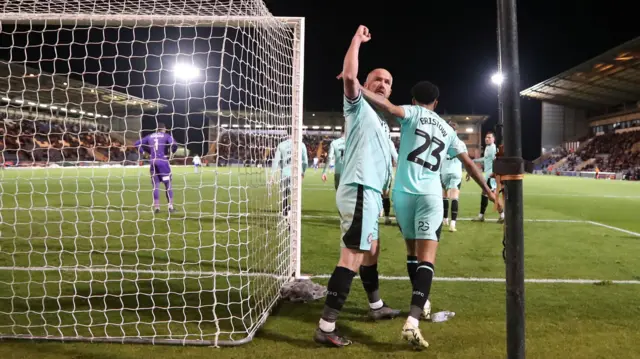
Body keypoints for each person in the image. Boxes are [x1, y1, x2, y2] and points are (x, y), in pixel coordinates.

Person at [360, 80, 497, 350]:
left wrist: (355, 84)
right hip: (431, 195)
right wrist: (489, 192)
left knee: (411, 253)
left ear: (413, 100)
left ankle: (421, 307)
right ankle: (413, 320)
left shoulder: (411, 113)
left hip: (402, 194)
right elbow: (469, 163)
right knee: (427, 258)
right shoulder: (447, 129)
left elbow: (385, 105)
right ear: (435, 103)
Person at [313, 25, 400, 348]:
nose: (383, 84)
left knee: (372, 249)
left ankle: (376, 306)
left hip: (372, 193)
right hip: (360, 188)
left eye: (388, 81)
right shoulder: (358, 105)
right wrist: (356, 41)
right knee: (352, 254)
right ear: (367, 84)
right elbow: (349, 78)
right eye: (377, 79)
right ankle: (326, 325)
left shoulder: (381, 120)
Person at [134, 123, 178, 213]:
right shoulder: (166, 136)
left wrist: (144, 153)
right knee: (168, 184)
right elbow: (174, 144)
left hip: (153, 162)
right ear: (164, 129)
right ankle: (170, 207)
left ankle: (157, 208)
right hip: (163, 162)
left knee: (155, 186)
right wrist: (172, 153)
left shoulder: (150, 136)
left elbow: (137, 144)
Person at [469, 132, 504, 223]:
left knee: (491, 196)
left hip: (491, 175)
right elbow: (485, 159)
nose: (487, 139)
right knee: (486, 194)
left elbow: (496, 160)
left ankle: (502, 215)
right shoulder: (488, 148)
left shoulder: (492, 148)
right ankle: (482, 216)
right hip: (488, 175)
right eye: (486, 137)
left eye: (489, 137)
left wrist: (494, 173)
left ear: (493, 139)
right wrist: (474, 160)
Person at [271, 136, 308, 217]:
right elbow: (305, 162)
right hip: (296, 175)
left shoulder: (281, 145)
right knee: (295, 196)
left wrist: (272, 175)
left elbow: (276, 161)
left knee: (284, 196)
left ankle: (285, 215)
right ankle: (293, 216)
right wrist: (303, 172)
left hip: (284, 174)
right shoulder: (301, 145)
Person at [441, 122, 463, 232]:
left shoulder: (442, 142)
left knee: (444, 195)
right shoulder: (461, 143)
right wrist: (469, 173)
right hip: (456, 172)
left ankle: (444, 219)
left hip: (444, 171)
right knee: (454, 197)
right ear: (457, 131)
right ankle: (452, 224)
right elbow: (466, 159)